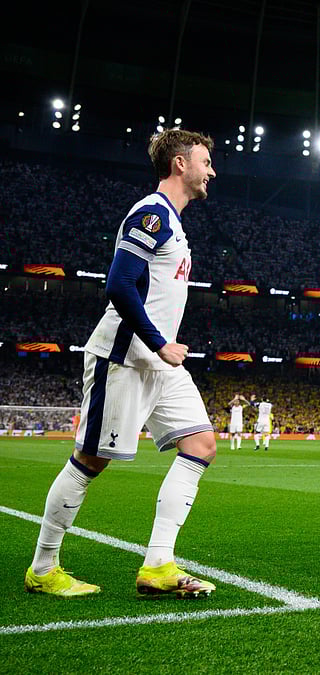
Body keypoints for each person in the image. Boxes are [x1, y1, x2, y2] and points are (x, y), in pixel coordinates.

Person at [25, 128, 219, 598]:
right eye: (205, 161)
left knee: (202, 444)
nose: (211, 171)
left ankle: (158, 564)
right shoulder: (151, 214)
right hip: (126, 357)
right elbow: (118, 284)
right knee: (91, 460)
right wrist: (159, 343)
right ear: (180, 164)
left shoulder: (174, 222)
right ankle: (43, 567)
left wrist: (162, 350)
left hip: (160, 364)